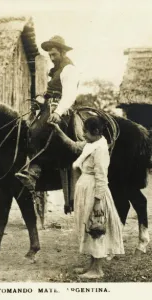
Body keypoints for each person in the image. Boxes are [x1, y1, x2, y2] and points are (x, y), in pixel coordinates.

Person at [51, 116, 124, 279]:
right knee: (89, 227)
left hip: (94, 192)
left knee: (96, 227)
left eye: (85, 131)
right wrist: (58, 131)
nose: (83, 134)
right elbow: (75, 146)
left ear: (96, 131)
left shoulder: (100, 149)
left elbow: (101, 176)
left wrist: (98, 201)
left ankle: (98, 269)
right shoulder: (91, 144)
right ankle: (91, 264)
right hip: (86, 189)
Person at [15, 35, 79, 210]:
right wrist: (41, 97)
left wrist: (58, 112)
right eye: (50, 55)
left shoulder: (69, 70)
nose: (51, 58)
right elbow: (52, 91)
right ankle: (31, 169)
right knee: (27, 128)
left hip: (62, 109)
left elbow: (69, 95)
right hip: (48, 108)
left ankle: (35, 172)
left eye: (54, 54)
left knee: (42, 132)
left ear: (63, 52)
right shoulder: (57, 70)